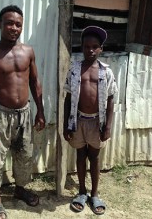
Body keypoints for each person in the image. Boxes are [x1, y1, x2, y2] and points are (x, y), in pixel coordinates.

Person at [0, 5, 45, 219]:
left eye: (18, 24)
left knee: (24, 155)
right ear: (0, 25)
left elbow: (35, 82)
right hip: (0, 116)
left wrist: (40, 111)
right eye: (9, 23)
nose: (13, 27)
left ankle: (20, 189)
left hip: (25, 115)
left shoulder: (28, 51)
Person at [63, 26, 117, 215]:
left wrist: (108, 126)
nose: (91, 50)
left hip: (97, 122)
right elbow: (68, 99)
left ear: (101, 49)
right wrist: (65, 125)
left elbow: (110, 100)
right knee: (80, 155)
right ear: (82, 47)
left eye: (95, 47)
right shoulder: (75, 70)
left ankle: (94, 194)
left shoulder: (106, 72)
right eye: (87, 46)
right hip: (78, 120)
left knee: (94, 157)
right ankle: (81, 192)